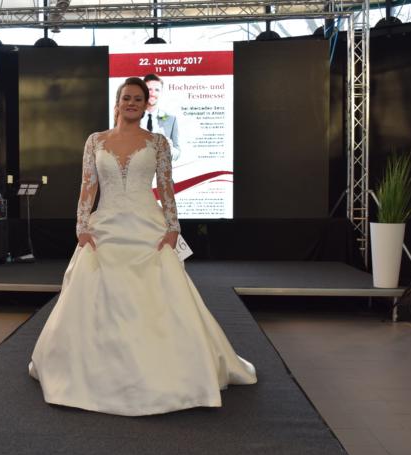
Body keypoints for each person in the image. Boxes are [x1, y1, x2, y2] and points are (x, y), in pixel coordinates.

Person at [28, 77, 256, 416]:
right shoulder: (96, 140)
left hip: (148, 229)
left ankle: (172, 369)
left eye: (138, 98)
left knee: (160, 297)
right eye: (127, 97)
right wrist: (82, 226)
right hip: (104, 230)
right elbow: (88, 186)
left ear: (146, 103)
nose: (132, 103)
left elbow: (166, 187)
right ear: (118, 101)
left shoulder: (158, 142)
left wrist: (173, 228)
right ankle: (87, 370)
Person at [141, 73, 180, 161]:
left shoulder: (171, 119)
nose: (153, 93)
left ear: (161, 92)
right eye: (149, 89)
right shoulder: (131, 118)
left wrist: (170, 149)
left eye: (157, 90)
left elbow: (177, 152)